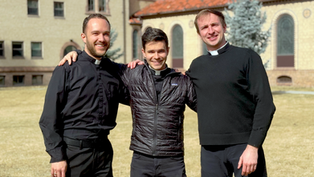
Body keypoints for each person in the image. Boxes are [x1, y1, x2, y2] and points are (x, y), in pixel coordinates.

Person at [60, 27, 197, 177]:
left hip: (172, 160)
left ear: (168, 50)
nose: (156, 56)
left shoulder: (182, 81)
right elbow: (100, 62)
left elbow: (203, 106)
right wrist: (78, 53)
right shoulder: (132, 73)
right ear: (143, 52)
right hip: (141, 159)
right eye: (151, 52)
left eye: (161, 51)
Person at [185, 9, 276, 177]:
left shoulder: (247, 57)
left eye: (214, 25)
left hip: (244, 147)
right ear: (199, 34)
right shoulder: (196, 66)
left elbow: (266, 104)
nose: (210, 31)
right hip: (210, 151)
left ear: (224, 27)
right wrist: (141, 67)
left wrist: (253, 147)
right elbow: (177, 85)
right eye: (204, 27)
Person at [39, 14, 129, 177]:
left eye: (106, 34)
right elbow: (48, 118)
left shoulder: (115, 71)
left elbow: (135, 96)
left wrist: (141, 66)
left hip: (104, 154)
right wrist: (57, 156)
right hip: (74, 154)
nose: (101, 38)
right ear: (84, 37)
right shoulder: (67, 68)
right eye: (95, 33)